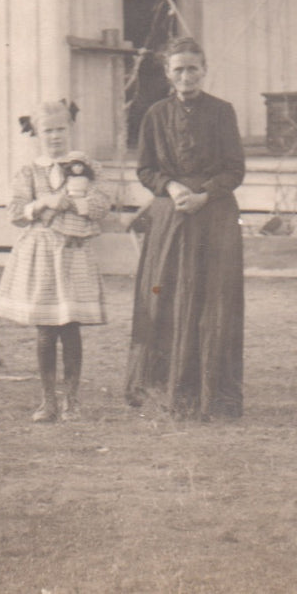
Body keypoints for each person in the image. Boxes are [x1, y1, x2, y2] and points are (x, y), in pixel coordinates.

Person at [125, 37, 245, 421]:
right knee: (167, 298)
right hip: (171, 220)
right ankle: (167, 389)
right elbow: (145, 169)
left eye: (193, 67)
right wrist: (173, 187)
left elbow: (235, 168)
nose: (186, 76)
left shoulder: (222, 112)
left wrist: (204, 194)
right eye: (178, 69)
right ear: (167, 73)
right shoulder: (155, 114)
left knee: (213, 302)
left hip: (214, 220)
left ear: (204, 69)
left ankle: (212, 393)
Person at [0, 101, 110, 422]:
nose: (55, 136)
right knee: (46, 330)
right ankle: (48, 400)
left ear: (70, 128)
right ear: (36, 133)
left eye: (60, 129)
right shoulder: (30, 171)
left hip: (74, 252)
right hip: (42, 254)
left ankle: (72, 398)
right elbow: (16, 212)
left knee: (71, 328)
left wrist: (76, 203)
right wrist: (44, 202)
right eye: (48, 131)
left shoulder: (87, 167)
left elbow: (103, 204)